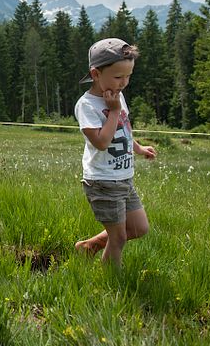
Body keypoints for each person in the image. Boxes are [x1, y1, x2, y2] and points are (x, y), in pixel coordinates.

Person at [73, 38, 157, 267]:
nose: (124, 83)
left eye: (128, 76)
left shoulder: (116, 98)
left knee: (139, 228)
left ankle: (89, 246)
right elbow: (101, 142)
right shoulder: (87, 105)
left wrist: (138, 148)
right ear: (96, 73)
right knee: (118, 238)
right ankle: (112, 284)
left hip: (123, 179)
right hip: (102, 181)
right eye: (118, 77)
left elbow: (124, 129)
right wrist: (113, 111)